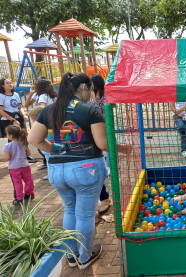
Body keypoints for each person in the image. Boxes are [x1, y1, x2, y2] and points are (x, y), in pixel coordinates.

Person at [28, 72, 131, 269]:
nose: (91, 94)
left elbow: (34, 139)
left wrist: (59, 149)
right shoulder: (89, 110)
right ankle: (84, 257)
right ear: (83, 87)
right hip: (86, 169)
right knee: (84, 215)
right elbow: (102, 143)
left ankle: (71, 255)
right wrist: (123, 148)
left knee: (70, 210)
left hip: (57, 170)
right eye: (91, 89)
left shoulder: (48, 109)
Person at [0, 78, 37, 163]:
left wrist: (24, 115)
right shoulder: (1, 96)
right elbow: (1, 111)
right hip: (8, 120)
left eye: (10, 82)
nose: (10, 84)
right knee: (12, 139)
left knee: (23, 136)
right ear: (2, 85)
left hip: (18, 118)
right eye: (7, 83)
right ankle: (13, 157)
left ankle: (26, 155)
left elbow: (20, 107)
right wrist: (13, 120)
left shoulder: (15, 94)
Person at [90, 73, 111, 215]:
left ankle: (108, 167)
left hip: (104, 127)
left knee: (106, 148)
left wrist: (94, 98)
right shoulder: (92, 98)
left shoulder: (103, 97)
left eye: (92, 83)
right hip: (95, 130)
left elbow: (99, 112)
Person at [29, 79, 57, 174]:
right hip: (54, 121)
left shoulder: (42, 96)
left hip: (46, 123)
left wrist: (40, 120)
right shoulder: (54, 95)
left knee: (48, 149)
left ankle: (51, 172)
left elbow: (42, 109)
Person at [3, 125, 35, 205]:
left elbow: (7, 158)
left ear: (11, 135)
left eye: (7, 134)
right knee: (29, 180)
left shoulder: (8, 146)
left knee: (17, 182)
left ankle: (19, 198)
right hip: (25, 165)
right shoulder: (23, 143)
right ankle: (30, 193)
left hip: (14, 167)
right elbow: (28, 154)